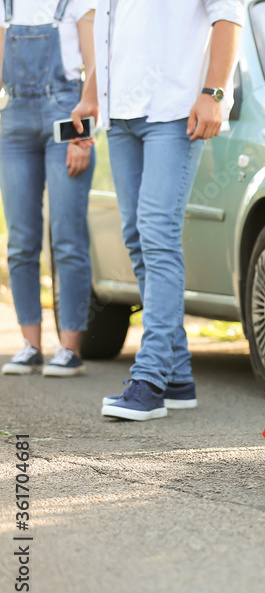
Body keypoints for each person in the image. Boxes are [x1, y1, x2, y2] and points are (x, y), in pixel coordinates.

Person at [78, 0, 243, 421]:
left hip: (171, 111)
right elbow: (108, 35)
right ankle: (177, 376)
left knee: (157, 235)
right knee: (136, 236)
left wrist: (214, 93)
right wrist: (90, 97)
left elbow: (228, 15)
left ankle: (149, 380)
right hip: (120, 116)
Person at [0, 0, 97, 377]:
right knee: (21, 239)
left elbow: (94, 70)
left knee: (67, 236)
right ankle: (29, 345)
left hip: (66, 117)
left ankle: (69, 349)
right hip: (13, 122)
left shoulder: (76, 2)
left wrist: (82, 138)